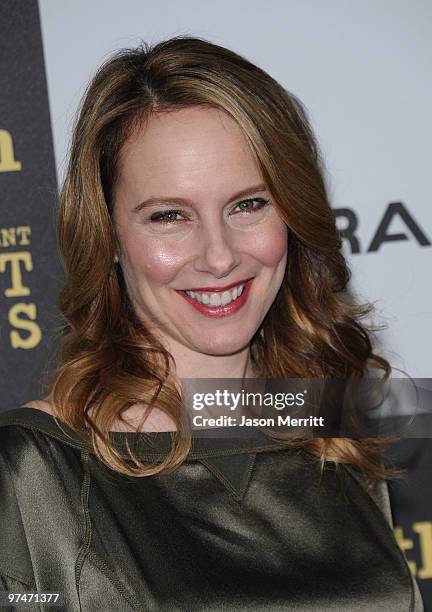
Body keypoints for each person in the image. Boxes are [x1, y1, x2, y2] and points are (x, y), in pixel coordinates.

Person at [0, 36, 423, 611]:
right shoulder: (34, 470)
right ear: (109, 235)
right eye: (170, 216)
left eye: (248, 204)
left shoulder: (332, 429)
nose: (220, 257)